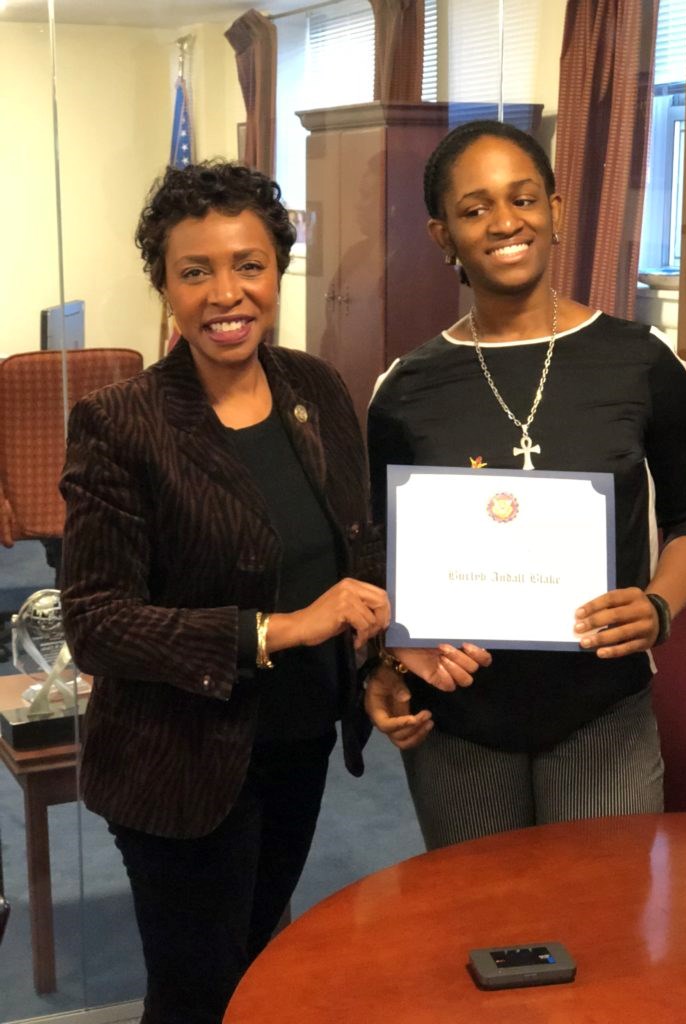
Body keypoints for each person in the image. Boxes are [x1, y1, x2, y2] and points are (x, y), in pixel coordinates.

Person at [59, 161, 484, 1024]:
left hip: (296, 747)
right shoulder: (120, 423)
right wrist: (277, 629)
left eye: (249, 265)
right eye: (196, 271)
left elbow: (353, 554)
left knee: (260, 971)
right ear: (164, 283)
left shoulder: (317, 391)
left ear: (278, 270)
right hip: (176, 761)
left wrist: (382, 648)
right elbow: (97, 622)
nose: (227, 293)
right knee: (196, 997)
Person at [365, 120, 686, 851]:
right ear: (443, 236)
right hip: (459, 718)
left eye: (523, 198)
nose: (505, 222)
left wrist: (658, 605)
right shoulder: (404, 389)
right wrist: (388, 658)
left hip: (602, 711)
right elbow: (379, 555)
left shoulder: (642, 362)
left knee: (601, 927)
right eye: (474, 209)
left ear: (557, 210)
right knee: (480, 932)